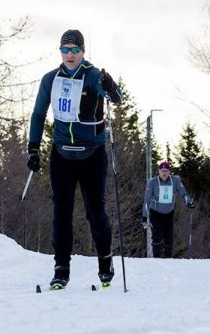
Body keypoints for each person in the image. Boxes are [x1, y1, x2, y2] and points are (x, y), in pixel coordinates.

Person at [26, 29, 122, 289]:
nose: (69, 54)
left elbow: (116, 98)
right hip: (62, 155)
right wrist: (33, 149)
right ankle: (61, 269)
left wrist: (111, 88)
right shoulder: (51, 79)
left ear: (82, 51)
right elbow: (37, 115)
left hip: (91, 154)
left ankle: (105, 263)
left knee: (95, 211)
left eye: (74, 49)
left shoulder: (92, 75)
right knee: (61, 213)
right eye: (64, 49)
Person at [142, 161, 195, 258]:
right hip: (156, 213)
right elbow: (147, 201)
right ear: (158, 171)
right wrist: (144, 216)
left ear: (169, 171)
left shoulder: (175, 181)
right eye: (162, 171)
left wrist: (189, 202)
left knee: (169, 238)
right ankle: (156, 259)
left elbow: (183, 194)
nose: (164, 173)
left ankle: (168, 259)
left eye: (166, 171)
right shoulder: (152, 182)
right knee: (156, 238)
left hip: (169, 213)